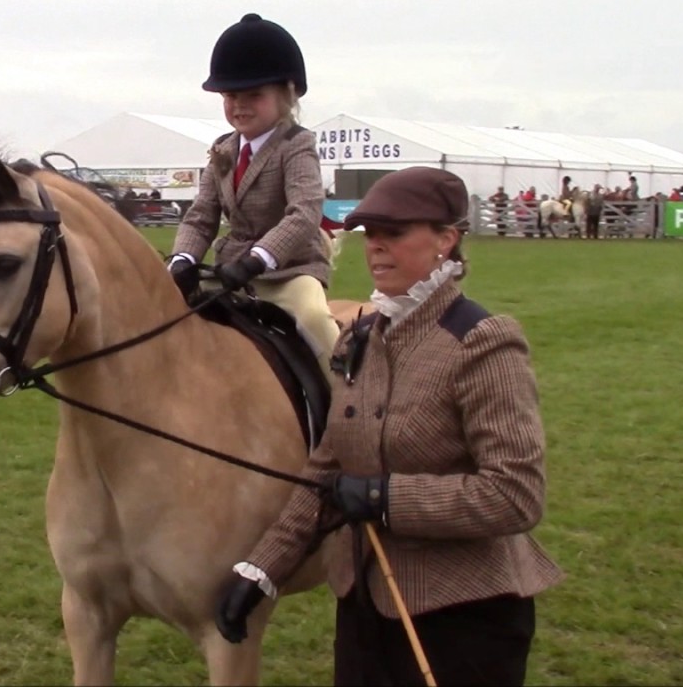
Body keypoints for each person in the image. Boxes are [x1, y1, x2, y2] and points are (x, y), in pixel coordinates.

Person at [212, 166, 563, 686]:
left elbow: (516, 494)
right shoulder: (360, 338)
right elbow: (327, 468)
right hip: (364, 606)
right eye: (370, 234)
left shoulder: (482, 342)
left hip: (465, 616)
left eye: (394, 233)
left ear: (446, 240)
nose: (375, 246)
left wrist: (384, 499)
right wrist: (262, 570)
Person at [167, 13, 339, 371]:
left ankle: (344, 395)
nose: (239, 105)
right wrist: (182, 260)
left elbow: (304, 213)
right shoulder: (223, 148)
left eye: (254, 95)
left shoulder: (296, 145)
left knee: (315, 320)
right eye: (231, 96)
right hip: (229, 272)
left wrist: (259, 258)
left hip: (287, 273)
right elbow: (201, 217)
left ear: (287, 94)